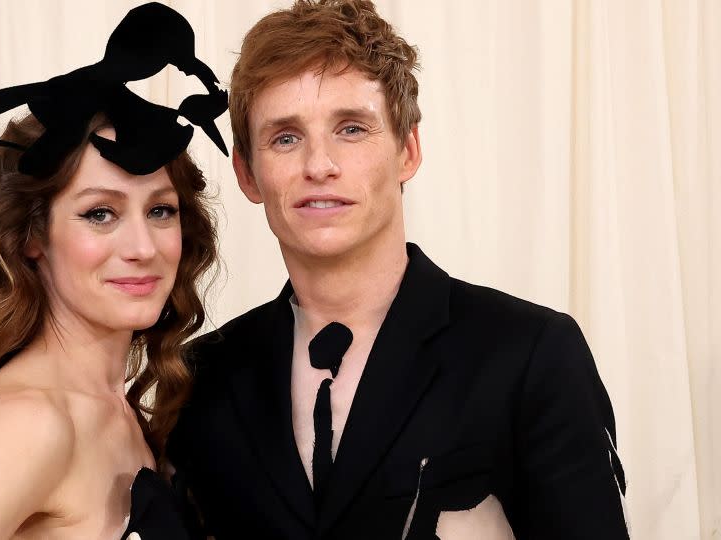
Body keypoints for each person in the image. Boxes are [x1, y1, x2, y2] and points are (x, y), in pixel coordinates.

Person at [167, 1, 630, 539]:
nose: (319, 165)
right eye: (286, 137)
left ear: (407, 150)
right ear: (248, 173)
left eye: (352, 129)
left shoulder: (531, 352)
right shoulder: (202, 374)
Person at [0, 3, 225, 538]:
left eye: (160, 210)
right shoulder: (35, 424)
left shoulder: (118, 407)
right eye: (100, 213)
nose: (142, 247)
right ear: (30, 237)